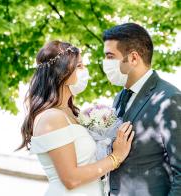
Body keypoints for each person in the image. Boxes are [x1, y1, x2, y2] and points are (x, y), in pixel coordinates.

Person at [16, 40, 134, 196]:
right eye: (79, 66)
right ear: (62, 72)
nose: (85, 70)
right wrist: (115, 157)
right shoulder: (52, 118)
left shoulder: (71, 113)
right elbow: (71, 179)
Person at [102, 23, 181, 196]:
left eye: (110, 56)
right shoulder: (119, 98)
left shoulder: (169, 98)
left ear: (133, 58)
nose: (104, 63)